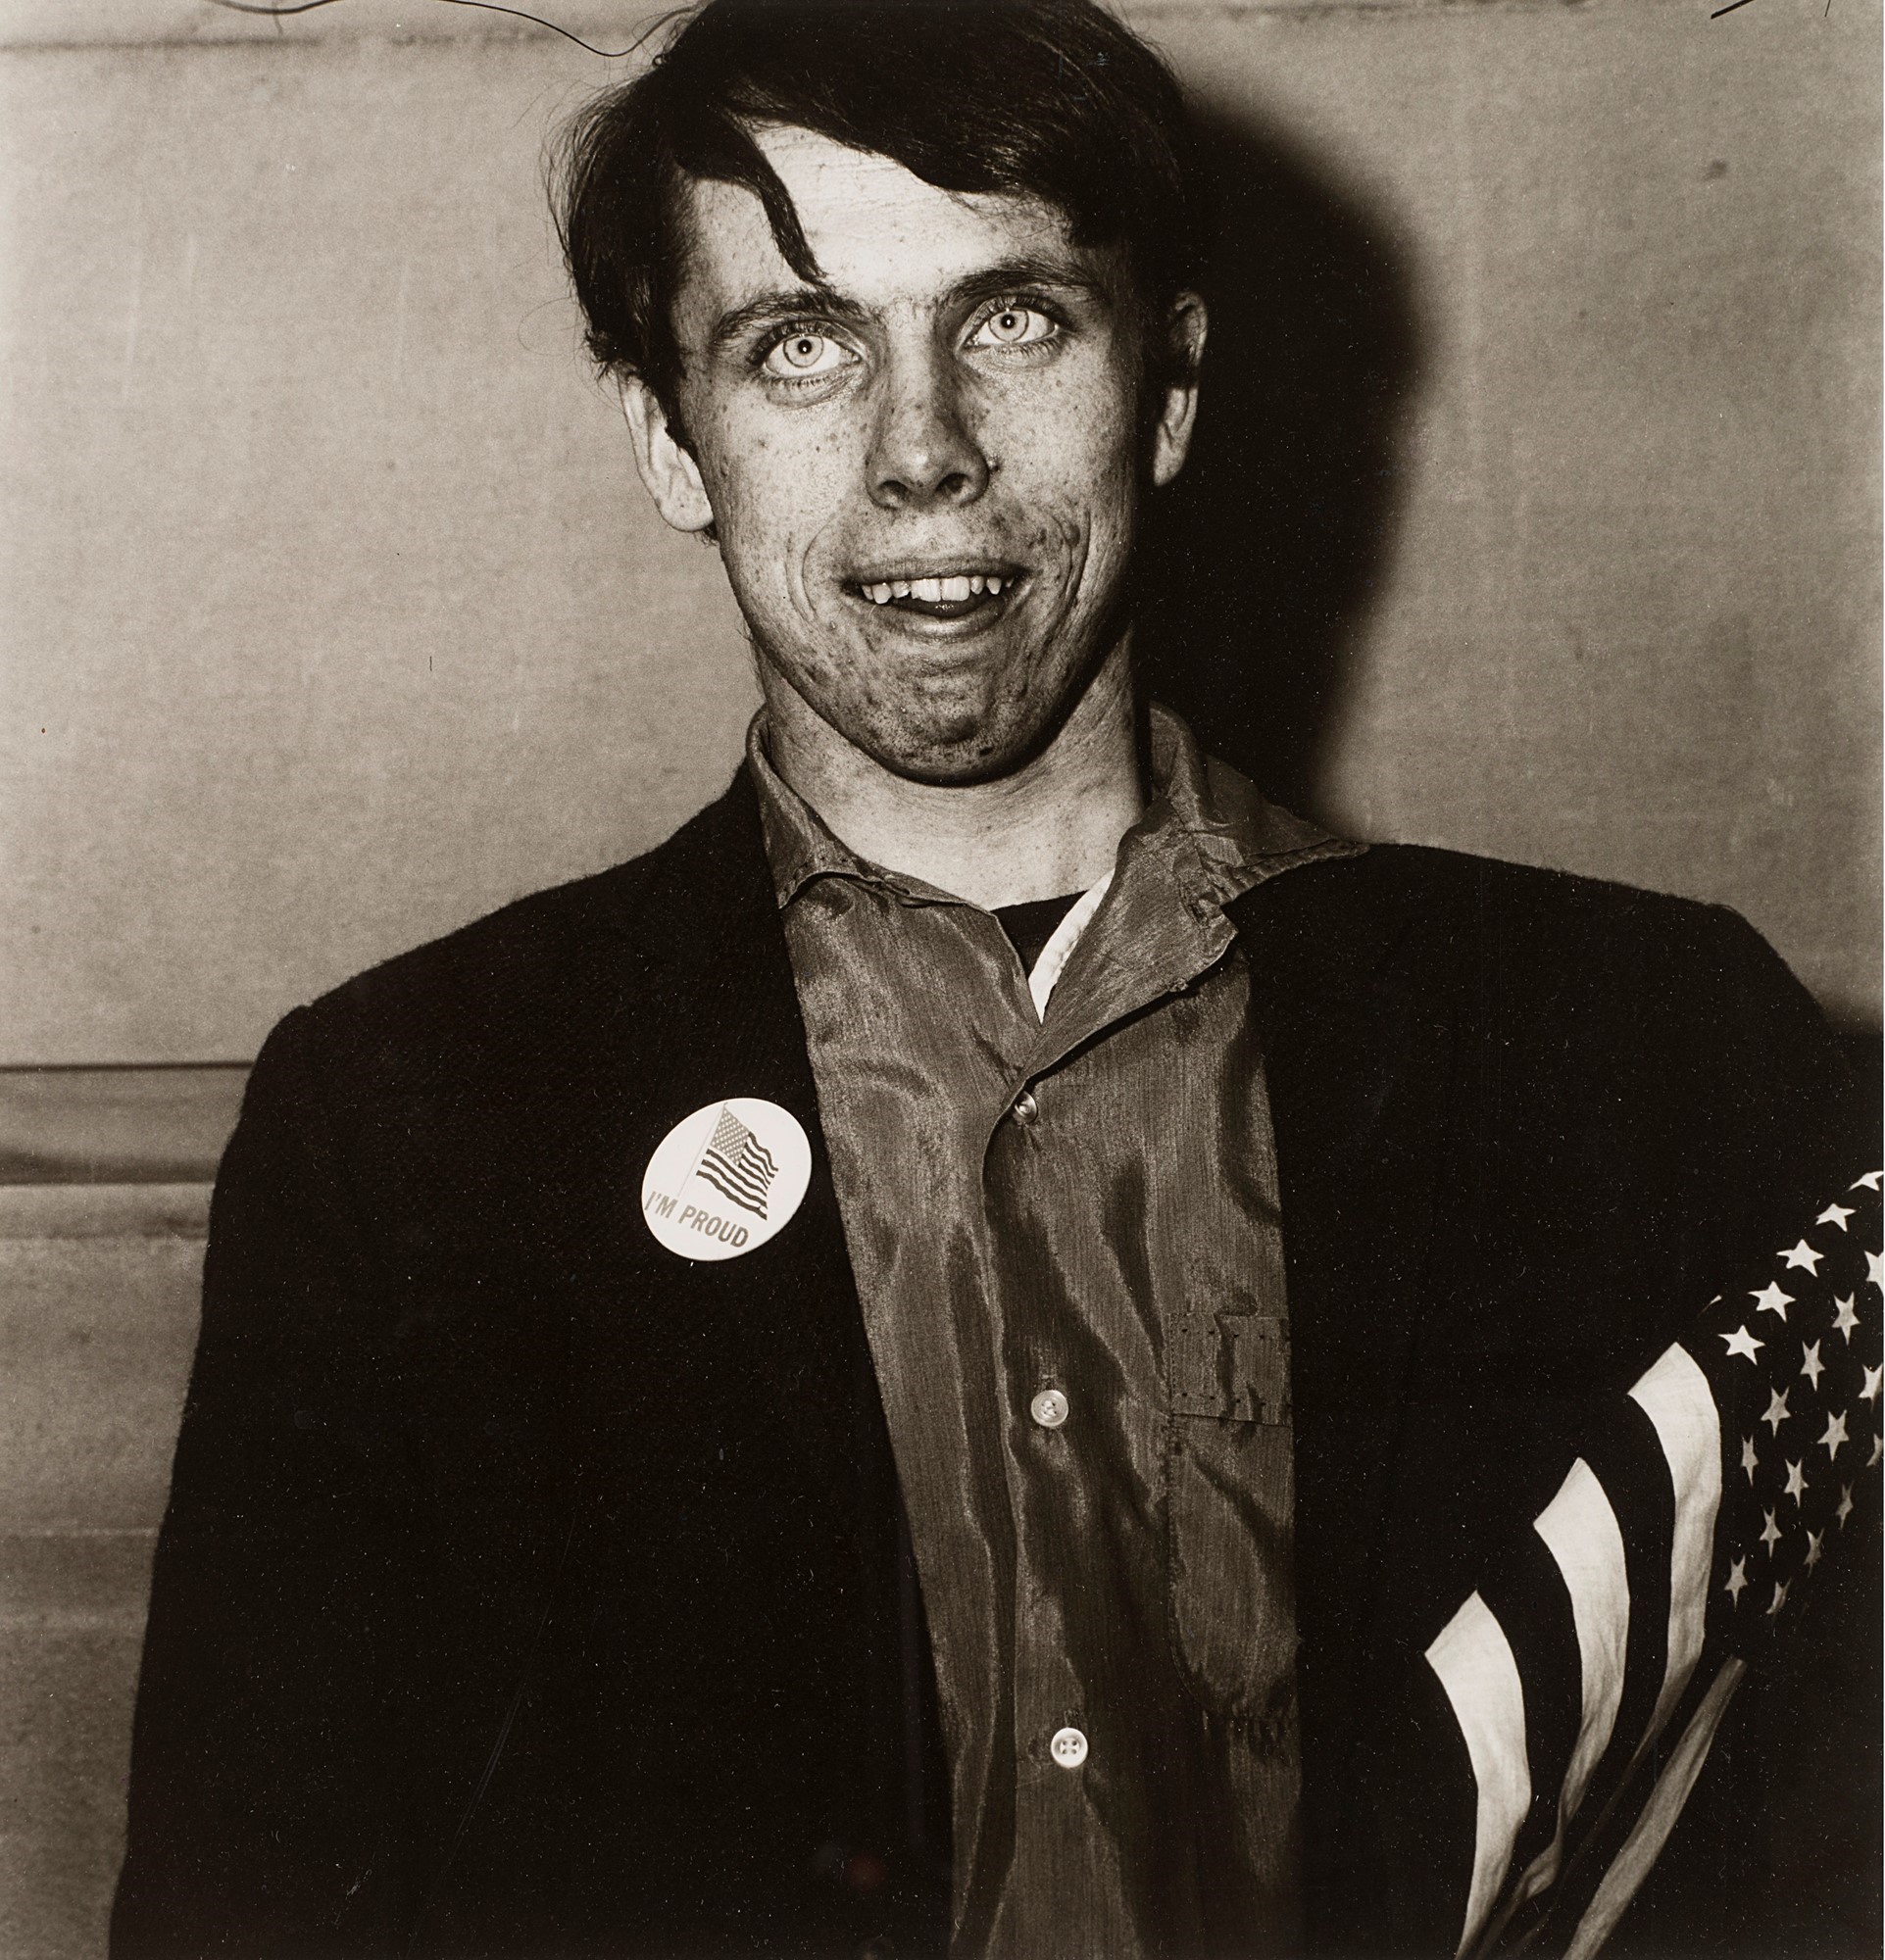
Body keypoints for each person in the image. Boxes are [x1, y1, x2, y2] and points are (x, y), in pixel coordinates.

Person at [112, 1, 1873, 1954]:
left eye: (1015, 320)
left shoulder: (1647, 1054)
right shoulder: (408, 1128)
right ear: (669, 439)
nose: (924, 454)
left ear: (1167, 390)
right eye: (801, 346)